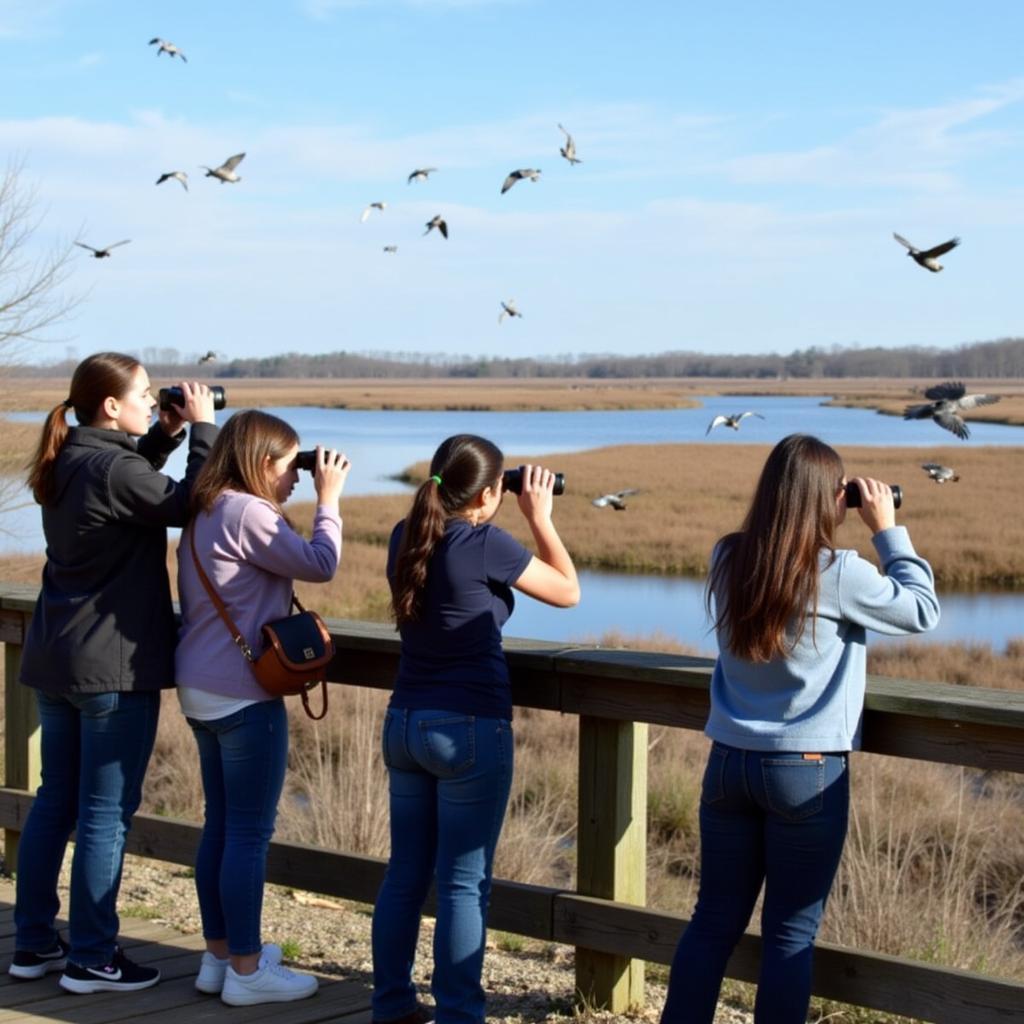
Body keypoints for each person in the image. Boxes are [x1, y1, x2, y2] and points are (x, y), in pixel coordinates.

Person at [660, 434, 940, 1024]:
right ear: (829, 499)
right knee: (790, 935)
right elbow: (921, 610)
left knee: (712, 921)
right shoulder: (840, 572)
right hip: (806, 774)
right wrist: (886, 527)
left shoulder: (728, 556)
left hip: (729, 762)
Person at [11, 352, 217, 993]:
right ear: (111, 406)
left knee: (54, 804)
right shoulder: (112, 467)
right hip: (111, 670)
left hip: (56, 658)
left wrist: (166, 433)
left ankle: (34, 944)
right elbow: (190, 503)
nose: (155, 403)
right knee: (105, 813)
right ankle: (93, 956)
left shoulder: (68, 458)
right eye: (147, 397)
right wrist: (205, 430)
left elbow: (132, 479)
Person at [371, 434, 580, 1024]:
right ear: (490, 494)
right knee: (464, 885)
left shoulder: (403, 535)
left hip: (405, 722)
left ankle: (390, 1007)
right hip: (467, 727)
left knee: (406, 874)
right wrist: (540, 517)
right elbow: (568, 592)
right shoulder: (484, 540)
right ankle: (459, 1015)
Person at [174, 410, 349, 1007]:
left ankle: (219, 957)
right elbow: (321, 564)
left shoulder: (205, 507)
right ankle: (248, 972)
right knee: (248, 833)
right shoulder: (247, 511)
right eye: (290, 465)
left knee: (220, 826)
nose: (297, 477)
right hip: (243, 694)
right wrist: (329, 501)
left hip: (199, 686)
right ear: (261, 461)